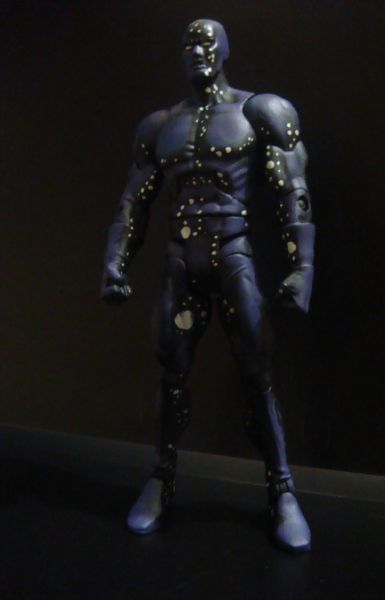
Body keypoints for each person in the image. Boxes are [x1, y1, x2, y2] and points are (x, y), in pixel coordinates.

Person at [101, 18, 315, 553]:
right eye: (188, 44)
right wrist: (115, 261)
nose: (197, 51)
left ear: (224, 50)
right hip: (182, 261)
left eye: (206, 42)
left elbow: (292, 190)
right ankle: (161, 478)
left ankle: (282, 487)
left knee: (257, 371)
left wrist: (302, 267)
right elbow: (135, 200)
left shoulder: (259, 112)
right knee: (170, 369)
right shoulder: (161, 126)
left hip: (233, 253)